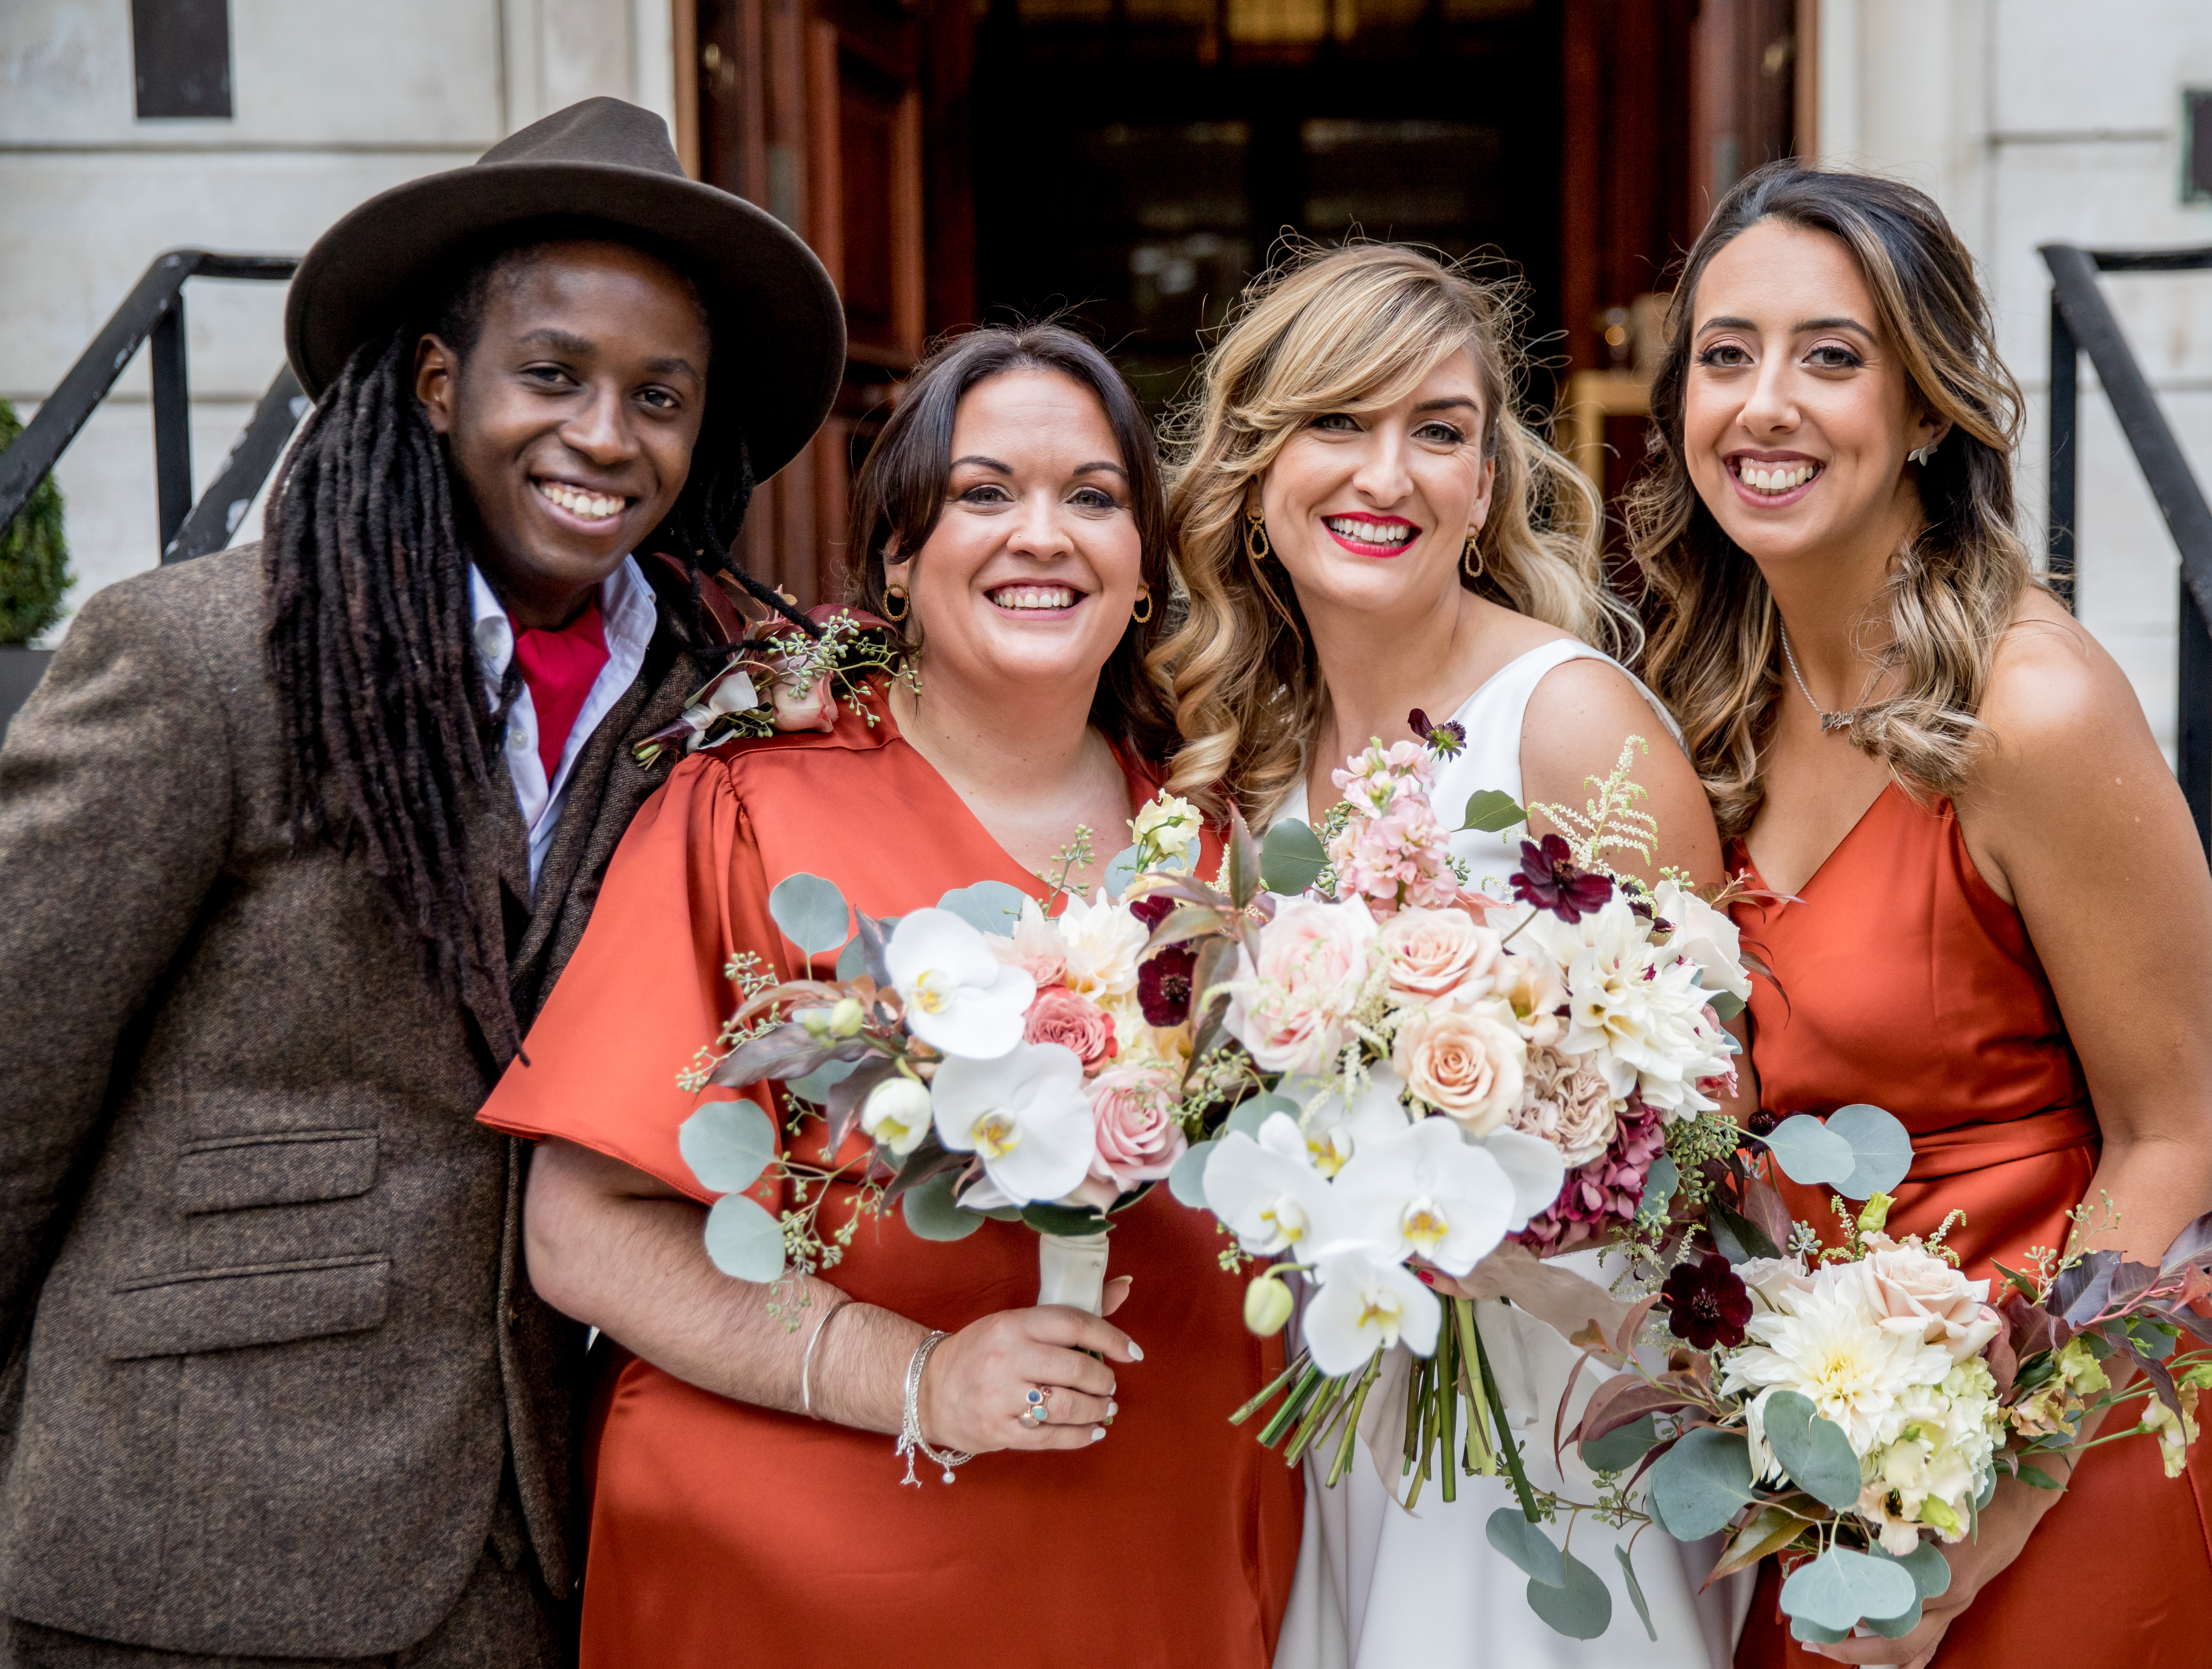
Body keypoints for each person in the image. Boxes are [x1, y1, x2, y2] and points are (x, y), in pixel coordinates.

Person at [0, 96, 842, 1665]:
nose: (607, 435)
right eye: (555, 374)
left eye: (661, 396)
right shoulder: (197, 663)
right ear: (439, 382)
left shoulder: (712, 704)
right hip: (177, 1534)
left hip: (529, 1552)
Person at [477, 323, 1303, 1667]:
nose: (1043, 535)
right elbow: (580, 1230)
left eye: (1092, 498)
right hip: (800, 1565)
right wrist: (913, 1378)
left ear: (1145, 569)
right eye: (984, 494)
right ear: (903, 558)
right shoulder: (749, 811)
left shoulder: (1224, 845)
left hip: (1154, 1548)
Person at [1628, 161, 2212, 1669]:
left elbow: (2174, 1138)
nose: (1767, 403)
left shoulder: (2034, 710)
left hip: (2071, 1465)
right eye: (1726, 355)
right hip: (1825, 1473)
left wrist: (1995, 1499)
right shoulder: (1706, 708)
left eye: (1833, 356)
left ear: (1929, 407)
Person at [1158, 242, 1740, 1669]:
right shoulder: (1254, 766)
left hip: (1548, 1428)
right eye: (1337, 422)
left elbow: (1721, 1131)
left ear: (1485, 486)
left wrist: (1513, 1209)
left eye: (1438, 431)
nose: (1388, 473)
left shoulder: (1570, 721)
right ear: (1256, 467)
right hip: (1345, 1408)